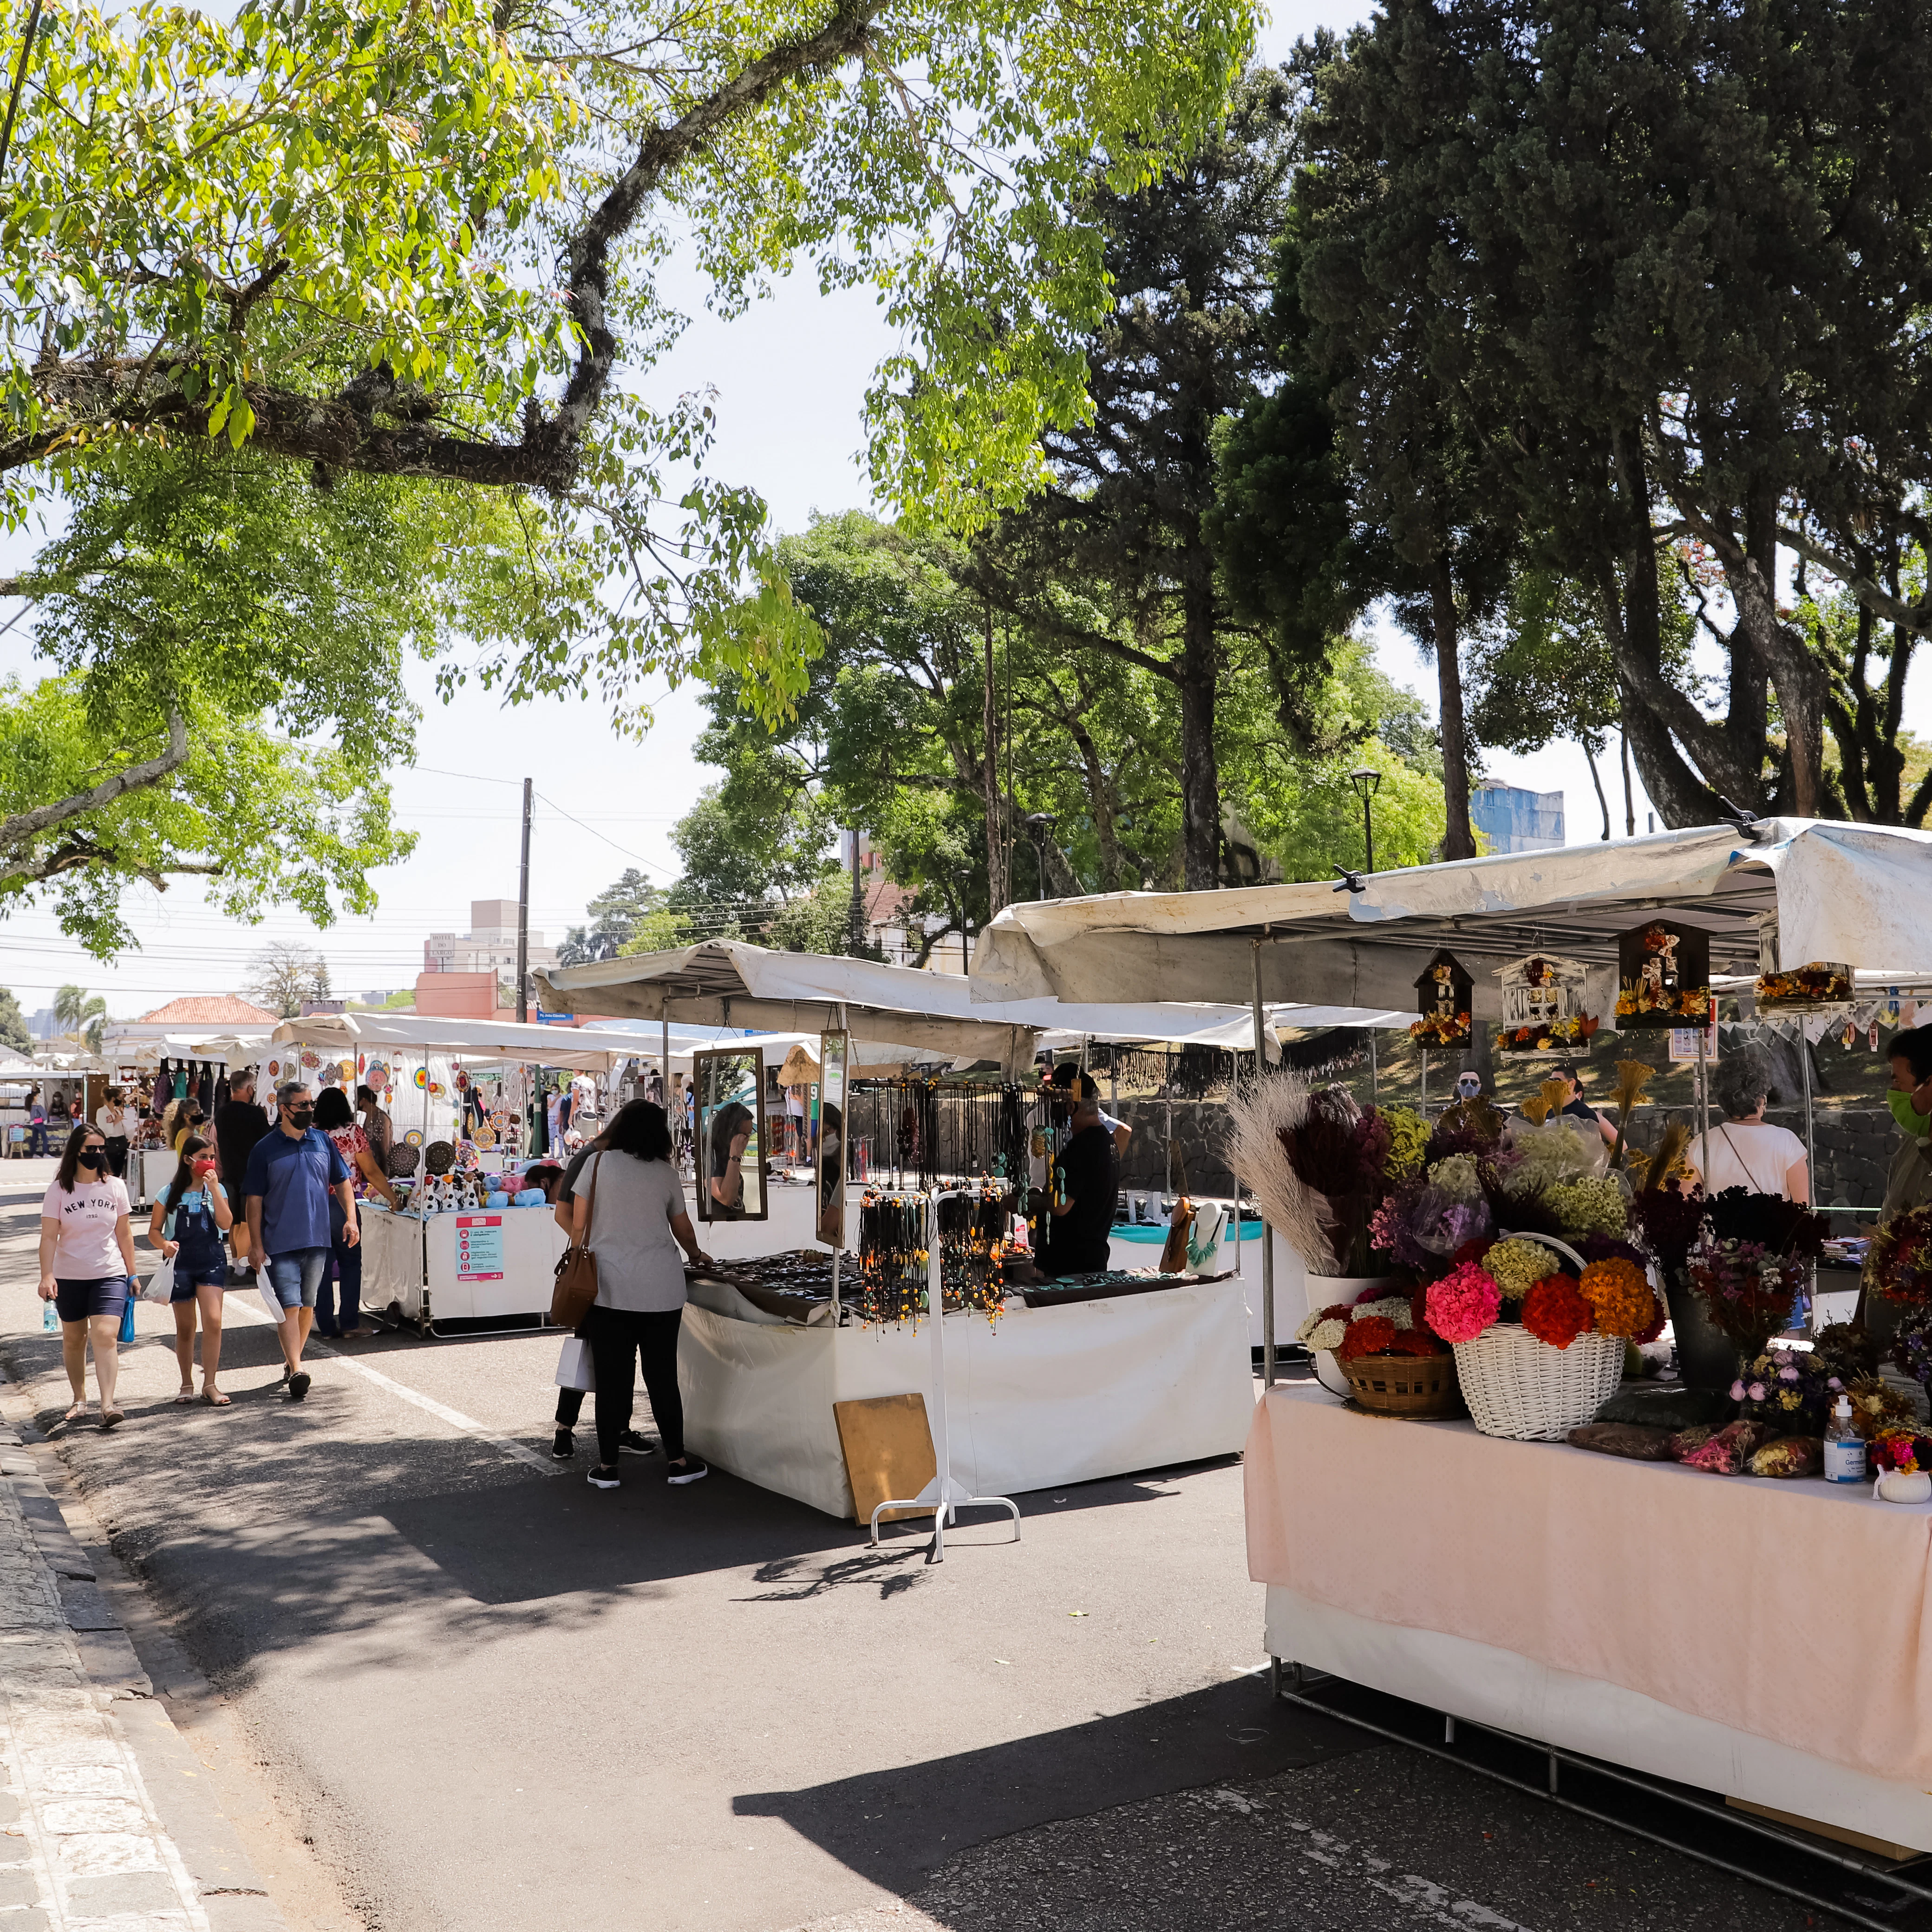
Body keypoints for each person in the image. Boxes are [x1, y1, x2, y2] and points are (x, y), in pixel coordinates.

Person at [572, 1100, 712, 1490]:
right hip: (661, 1290)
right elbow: (683, 1231)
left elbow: (578, 1227)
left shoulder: (596, 1165)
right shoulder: (665, 1174)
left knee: (612, 1379)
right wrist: (697, 1255)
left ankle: (607, 1468)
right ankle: (678, 1461)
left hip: (609, 1289)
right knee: (662, 1376)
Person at [242, 1081, 355, 1402]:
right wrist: (256, 1243)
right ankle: (297, 1367)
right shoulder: (264, 1149)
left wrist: (351, 1218)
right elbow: (254, 1200)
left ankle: (293, 1360)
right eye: (302, 1105)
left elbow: (343, 1181)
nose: (309, 1110)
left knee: (308, 1306)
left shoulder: (323, 1142)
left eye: (311, 1104)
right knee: (289, 1307)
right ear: (284, 1109)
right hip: (280, 1242)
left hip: (318, 1238)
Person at [548, 1127, 654, 1462]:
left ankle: (600, 1430)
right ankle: (568, 1430)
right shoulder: (592, 1160)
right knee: (590, 1351)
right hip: (596, 1271)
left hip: (606, 1268)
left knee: (608, 1354)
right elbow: (563, 1214)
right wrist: (588, 1250)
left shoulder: (600, 1159)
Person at [36, 1123, 136, 1430]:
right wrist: (47, 1275)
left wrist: (132, 1273)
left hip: (109, 1272)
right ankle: (79, 1398)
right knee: (74, 1338)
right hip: (69, 1276)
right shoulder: (59, 1190)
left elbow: (124, 1233)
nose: (96, 1155)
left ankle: (108, 1404)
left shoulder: (115, 1187)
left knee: (105, 1335)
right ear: (76, 1152)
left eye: (100, 1149)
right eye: (90, 1149)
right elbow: (49, 1237)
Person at [147, 1135, 233, 1406]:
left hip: (212, 1261)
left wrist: (216, 1190)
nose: (209, 1162)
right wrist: (164, 1244)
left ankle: (210, 1383)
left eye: (212, 1156)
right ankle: (186, 1383)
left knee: (214, 1321)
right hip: (180, 1265)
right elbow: (153, 1231)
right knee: (185, 1328)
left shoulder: (218, 1190)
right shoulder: (168, 1193)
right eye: (203, 1157)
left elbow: (227, 1223)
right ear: (188, 1160)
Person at [313, 1086, 397, 1340]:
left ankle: (325, 1326)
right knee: (350, 1264)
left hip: (315, 1205)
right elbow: (370, 1171)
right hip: (344, 1204)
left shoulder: (311, 1133)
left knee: (321, 1267)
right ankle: (350, 1323)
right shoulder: (353, 1132)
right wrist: (393, 1198)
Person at [1692, 1044, 1809, 1202]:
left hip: (1718, 1226)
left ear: (1722, 1101)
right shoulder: (1787, 1142)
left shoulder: (1700, 1144)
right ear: (1761, 1100)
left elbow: (1689, 1207)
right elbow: (1804, 1206)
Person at [1042, 1082, 1117, 1277]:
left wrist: (1032, 1201)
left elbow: (1060, 1205)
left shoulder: (1083, 1147)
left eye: (1056, 1102)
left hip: (1070, 1267)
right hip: (1091, 1260)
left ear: (1070, 1106)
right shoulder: (1106, 1140)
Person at [1050, 1063, 1131, 1159]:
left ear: (1071, 1106)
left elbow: (1125, 1130)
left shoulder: (1089, 1141)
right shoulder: (1097, 1137)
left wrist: (1114, 1161)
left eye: (1060, 1099)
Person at [1547, 1061, 1618, 1150]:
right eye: (1550, 1081)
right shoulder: (1549, 1113)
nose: (1551, 1086)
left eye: (1557, 1081)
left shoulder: (1585, 1114)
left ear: (1572, 1084)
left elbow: (1593, 1151)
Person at [706, 1101, 754, 1218]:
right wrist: (735, 1156)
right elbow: (726, 1199)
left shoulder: (726, 1153)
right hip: (720, 1226)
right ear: (730, 1132)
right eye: (743, 1136)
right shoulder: (710, 1152)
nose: (746, 1141)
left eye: (750, 1135)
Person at [94, 1087, 133, 1178]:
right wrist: (116, 1122)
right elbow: (103, 1129)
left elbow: (124, 1128)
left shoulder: (117, 1111)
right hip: (111, 1143)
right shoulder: (102, 1112)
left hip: (122, 1142)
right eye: (120, 1098)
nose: (121, 1100)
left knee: (119, 1170)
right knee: (110, 1170)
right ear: (113, 1099)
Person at [355, 1085, 394, 1167]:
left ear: (363, 1100)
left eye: (357, 1098)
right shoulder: (370, 1115)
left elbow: (385, 1148)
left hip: (380, 1168)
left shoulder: (381, 1118)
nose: (355, 1102)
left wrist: (385, 1173)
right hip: (371, 1166)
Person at [26, 1085, 46, 1156]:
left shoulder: (30, 1105)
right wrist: (42, 1120)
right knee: (44, 1138)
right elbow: (43, 1116)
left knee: (35, 1139)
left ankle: (34, 1153)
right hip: (39, 1123)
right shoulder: (37, 1106)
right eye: (38, 1096)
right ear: (35, 1096)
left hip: (35, 1124)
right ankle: (45, 1153)